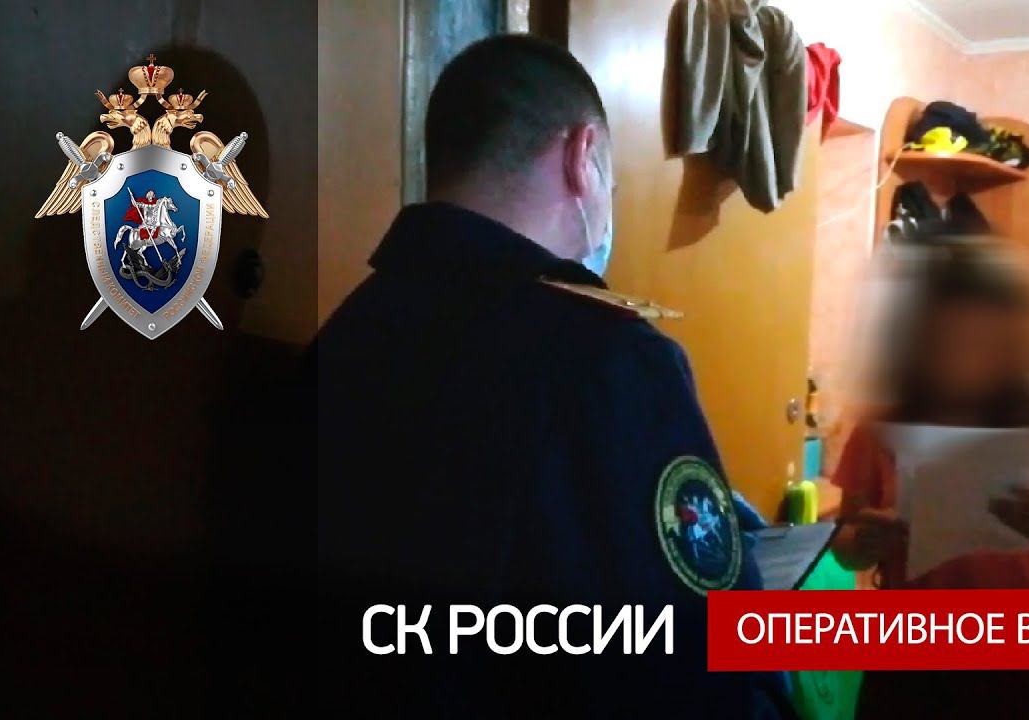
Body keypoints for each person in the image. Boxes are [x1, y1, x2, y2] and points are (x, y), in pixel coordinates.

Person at [316, 34, 792, 718]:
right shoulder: (610, 359)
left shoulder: (341, 337)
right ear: (582, 156)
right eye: (612, 185)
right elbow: (698, 661)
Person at [825, 235, 1029, 719]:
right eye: (949, 343)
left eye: (987, 343)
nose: (968, 360)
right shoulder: (882, 426)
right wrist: (863, 539)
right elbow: (845, 545)